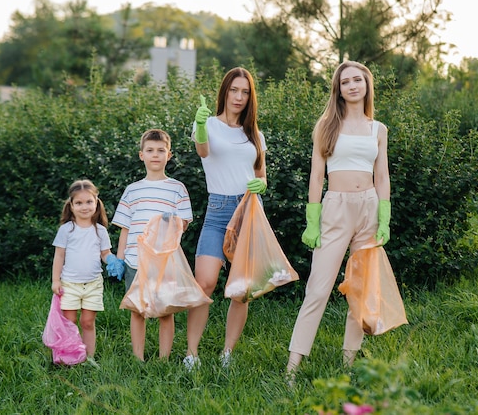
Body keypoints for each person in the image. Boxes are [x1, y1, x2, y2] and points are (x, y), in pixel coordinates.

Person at [286, 61, 392, 378]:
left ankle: (347, 365)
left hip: (369, 208)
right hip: (335, 208)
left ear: (367, 85)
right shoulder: (326, 126)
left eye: (357, 80)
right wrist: (312, 219)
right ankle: (291, 369)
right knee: (318, 290)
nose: (352, 86)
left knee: (360, 291)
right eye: (345, 82)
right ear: (339, 89)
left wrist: (384, 216)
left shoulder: (378, 129)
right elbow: (316, 177)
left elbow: (383, 175)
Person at [184, 67, 267, 370]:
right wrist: (201, 125)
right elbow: (203, 151)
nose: (239, 97)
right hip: (218, 209)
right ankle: (191, 354)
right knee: (204, 282)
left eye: (245, 92)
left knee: (241, 290)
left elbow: (262, 176)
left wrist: (261, 185)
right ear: (224, 92)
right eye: (234, 90)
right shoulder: (208, 124)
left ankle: (227, 353)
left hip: (248, 210)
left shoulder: (254, 133)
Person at [110, 129, 193, 361]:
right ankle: (138, 358)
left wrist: (170, 223)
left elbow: (183, 224)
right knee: (138, 310)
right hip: (135, 260)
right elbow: (125, 228)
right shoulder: (132, 190)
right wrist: (119, 258)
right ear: (141, 155)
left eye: (160, 150)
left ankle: (163, 359)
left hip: (165, 260)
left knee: (165, 310)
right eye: (150, 150)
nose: (155, 155)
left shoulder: (177, 188)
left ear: (169, 155)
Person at [51, 179, 116, 368]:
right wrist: (56, 280)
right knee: (69, 321)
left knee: (87, 322)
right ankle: (69, 355)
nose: (84, 206)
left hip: (93, 284)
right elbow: (59, 256)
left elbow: (105, 253)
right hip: (69, 284)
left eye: (89, 202)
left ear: (96, 203)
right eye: (79, 203)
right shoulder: (67, 230)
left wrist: (111, 260)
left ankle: (88, 357)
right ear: (71, 206)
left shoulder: (100, 231)